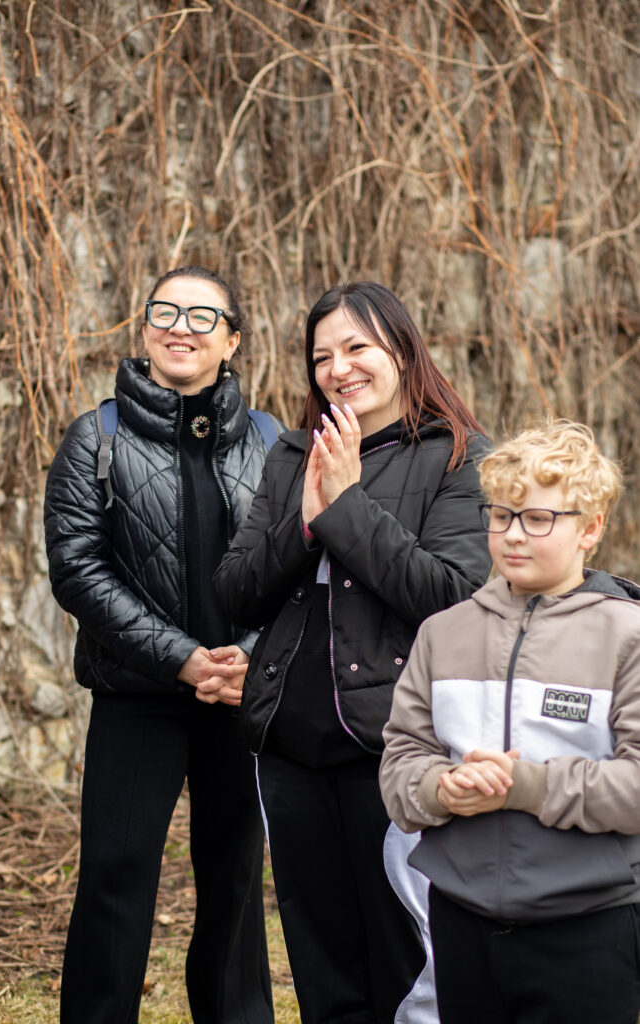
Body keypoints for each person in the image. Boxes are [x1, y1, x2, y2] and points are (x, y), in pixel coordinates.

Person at [214, 281, 492, 1024]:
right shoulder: (291, 454)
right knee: (320, 957)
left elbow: (454, 598)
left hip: (396, 745)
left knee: (409, 955)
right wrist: (304, 524)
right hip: (287, 743)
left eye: (356, 347)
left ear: (401, 349)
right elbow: (235, 593)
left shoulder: (457, 455)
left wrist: (344, 508)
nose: (338, 369)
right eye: (321, 357)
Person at [44, 266, 278, 1024]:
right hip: (135, 697)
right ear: (144, 329)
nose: (181, 326)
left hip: (239, 695)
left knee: (235, 883)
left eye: (203, 316)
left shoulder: (270, 439)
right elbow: (77, 569)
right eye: (165, 312)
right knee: (114, 878)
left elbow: (293, 563)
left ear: (231, 340)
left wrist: (247, 654)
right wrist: (180, 657)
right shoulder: (97, 436)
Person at [380, 420, 640, 1024]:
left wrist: (527, 788)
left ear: (590, 528)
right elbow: (400, 765)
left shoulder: (627, 636)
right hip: (461, 918)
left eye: (539, 519)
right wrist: (441, 789)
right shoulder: (442, 633)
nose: (514, 535)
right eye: (501, 516)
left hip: (588, 925)